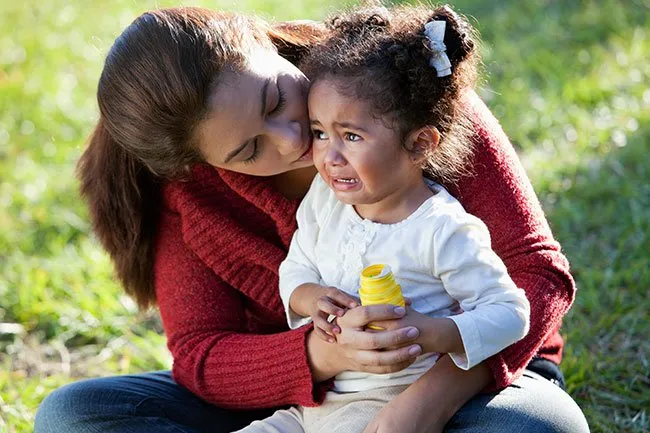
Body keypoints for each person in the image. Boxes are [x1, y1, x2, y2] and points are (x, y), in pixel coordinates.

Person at [34, 5, 589, 433]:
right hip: (304, 404)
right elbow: (202, 356)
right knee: (77, 414)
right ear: (199, 164)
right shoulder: (192, 192)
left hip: (468, 377)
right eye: (249, 151)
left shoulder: (403, 87)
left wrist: (424, 404)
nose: (293, 137)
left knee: (540, 425)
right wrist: (323, 354)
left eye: (276, 99)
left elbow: (536, 275)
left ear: (263, 41)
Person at [235, 6, 531, 432]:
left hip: (389, 402)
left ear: (419, 143)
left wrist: (429, 332)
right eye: (320, 132)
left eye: (351, 136)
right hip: (316, 405)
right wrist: (310, 296)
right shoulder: (325, 199)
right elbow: (295, 267)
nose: (328, 156)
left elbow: (510, 313)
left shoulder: (442, 229)